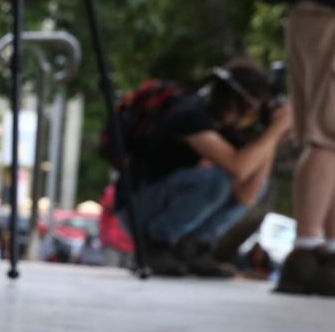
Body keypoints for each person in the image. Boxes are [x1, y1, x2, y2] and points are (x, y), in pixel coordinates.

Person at [121, 60, 291, 277]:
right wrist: (275, 130)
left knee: (256, 182)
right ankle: (154, 245)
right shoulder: (189, 115)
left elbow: (246, 192)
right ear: (245, 104)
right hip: (138, 204)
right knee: (217, 182)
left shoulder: (222, 127)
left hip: (158, 200)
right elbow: (238, 168)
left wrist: (272, 134)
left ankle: (195, 248)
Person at [275, 0, 335, 295]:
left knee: (328, 137)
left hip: (317, 9)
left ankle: (324, 250)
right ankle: (307, 251)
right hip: (327, 11)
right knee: (327, 135)